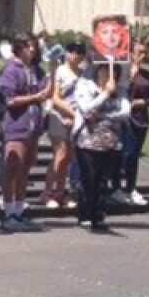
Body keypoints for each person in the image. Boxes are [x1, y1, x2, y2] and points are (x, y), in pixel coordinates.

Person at [0, 36, 51, 232]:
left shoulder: (35, 71)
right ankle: (8, 212)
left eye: (35, 47)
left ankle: (19, 211)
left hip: (33, 126)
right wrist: (35, 97)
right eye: (29, 47)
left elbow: (47, 91)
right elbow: (10, 100)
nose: (33, 50)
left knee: (25, 170)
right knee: (13, 168)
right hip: (16, 126)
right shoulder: (11, 70)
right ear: (19, 49)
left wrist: (53, 72)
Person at [71, 62, 130, 231]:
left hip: (110, 141)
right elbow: (86, 108)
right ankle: (85, 214)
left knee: (103, 181)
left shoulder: (120, 91)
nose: (112, 78)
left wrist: (104, 115)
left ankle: (98, 215)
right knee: (89, 178)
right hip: (88, 141)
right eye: (107, 74)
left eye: (115, 75)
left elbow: (125, 112)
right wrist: (105, 93)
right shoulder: (85, 85)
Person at [112, 42, 149, 206]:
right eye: (139, 52)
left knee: (134, 156)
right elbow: (118, 92)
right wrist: (130, 78)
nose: (142, 56)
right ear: (131, 54)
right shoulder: (124, 73)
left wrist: (142, 102)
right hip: (125, 119)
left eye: (144, 53)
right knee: (124, 153)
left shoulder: (147, 75)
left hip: (141, 119)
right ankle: (116, 187)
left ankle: (131, 187)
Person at [42, 42, 85, 210]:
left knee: (69, 157)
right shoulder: (59, 71)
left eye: (80, 53)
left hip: (75, 119)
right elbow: (55, 97)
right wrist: (71, 114)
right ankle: (47, 192)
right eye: (73, 52)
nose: (76, 56)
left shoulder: (82, 74)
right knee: (60, 154)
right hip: (58, 116)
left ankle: (60, 192)